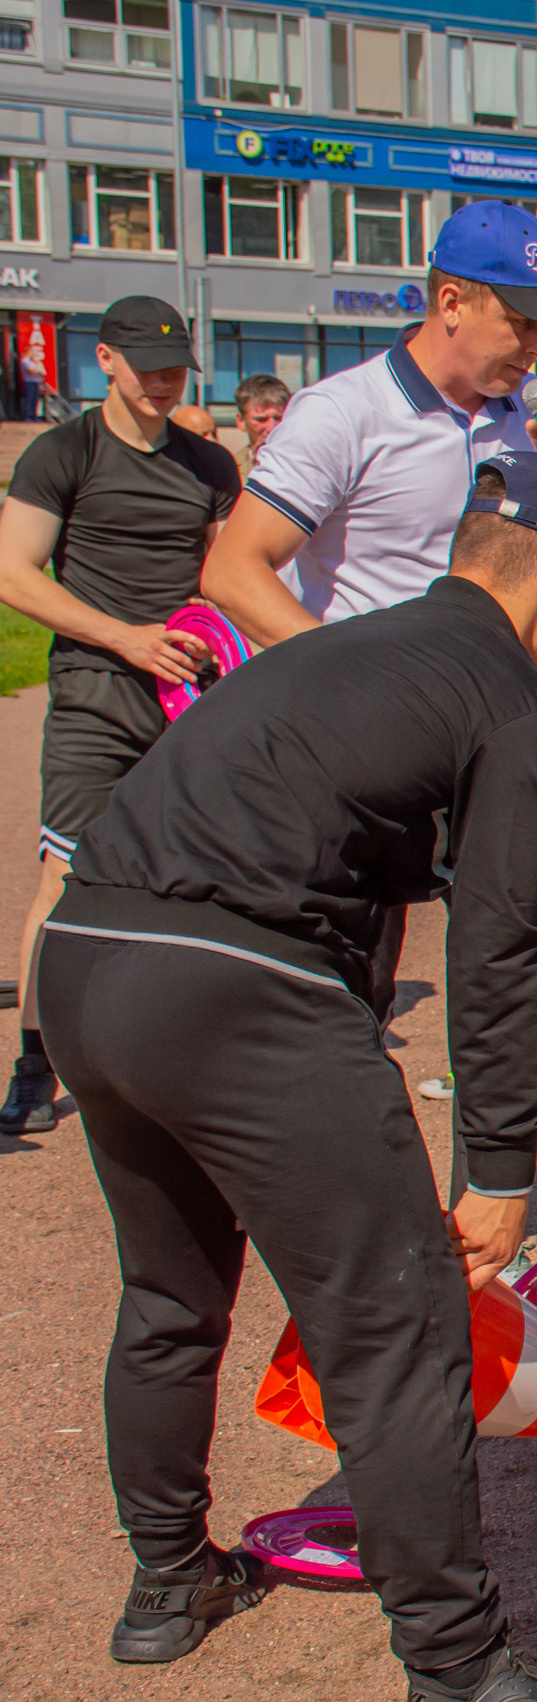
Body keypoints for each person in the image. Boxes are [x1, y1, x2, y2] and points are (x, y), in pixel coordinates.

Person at [42, 452, 537, 1701]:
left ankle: (167, 1582)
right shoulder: (515, 707)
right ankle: (462, 1667)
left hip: (89, 953)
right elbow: (501, 951)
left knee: (167, 1296)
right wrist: (501, 1168)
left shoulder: (340, 648)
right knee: (397, 1329)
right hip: (236, 987)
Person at [199, 201, 537, 1108]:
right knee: (339, 999)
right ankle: (362, 1223)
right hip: (360, 748)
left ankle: (487, 1217)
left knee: (527, 986)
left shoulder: (520, 422)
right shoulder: (343, 412)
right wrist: (347, 682)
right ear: (450, 301)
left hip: (482, 739)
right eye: (523, 320)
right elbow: (233, 568)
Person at [0, 298, 238, 1136]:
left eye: (176, 369)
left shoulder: (211, 466)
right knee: (61, 883)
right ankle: (33, 1066)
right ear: (104, 359)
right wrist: (124, 640)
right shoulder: (63, 452)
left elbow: (224, 578)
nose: (163, 383)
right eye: (147, 368)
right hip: (96, 695)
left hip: (186, 698)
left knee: (187, 885)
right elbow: (14, 573)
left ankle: (172, 1058)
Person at [231, 371, 291, 478]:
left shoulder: (303, 466)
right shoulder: (230, 469)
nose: (272, 427)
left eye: (278, 418)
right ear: (241, 421)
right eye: (261, 419)